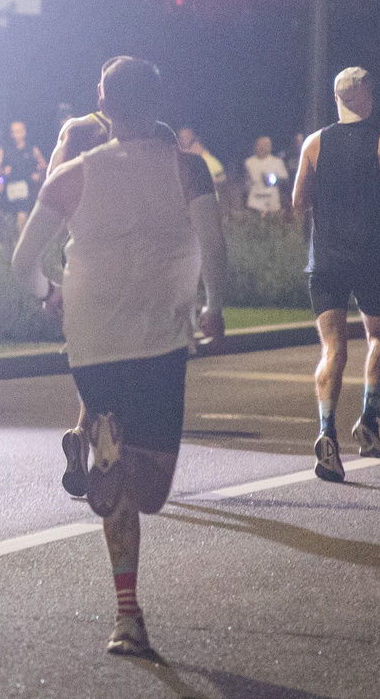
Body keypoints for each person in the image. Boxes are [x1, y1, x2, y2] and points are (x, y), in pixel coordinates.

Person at [12, 56, 228, 658]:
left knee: (146, 491)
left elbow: (22, 263)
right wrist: (216, 305)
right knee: (135, 489)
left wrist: (45, 292)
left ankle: (101, 454)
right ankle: (127, 614)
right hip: (128, 343)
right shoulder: (186, 170)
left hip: (125, 341)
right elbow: (215, 248)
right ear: (156, 103)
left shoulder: (86, 174)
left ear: (102, 105)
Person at [292, 68, 380, 479]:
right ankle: (369, 420)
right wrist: (372, 202)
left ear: (336, 98)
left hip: (325, 260)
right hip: (371, 256)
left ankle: (326, 431)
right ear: (368, 96)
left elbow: (299, 200)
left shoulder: (314, 143)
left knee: (332, 349)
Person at [242, 135, 291, 218]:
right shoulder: (249, 162)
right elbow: (245, 181)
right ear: (255, 147)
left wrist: (272, 180)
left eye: (266, 145)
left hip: (272, 203)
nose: (263, 148)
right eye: (260, 145)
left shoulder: (277, 162)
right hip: (254, 203)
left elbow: (285, 180)